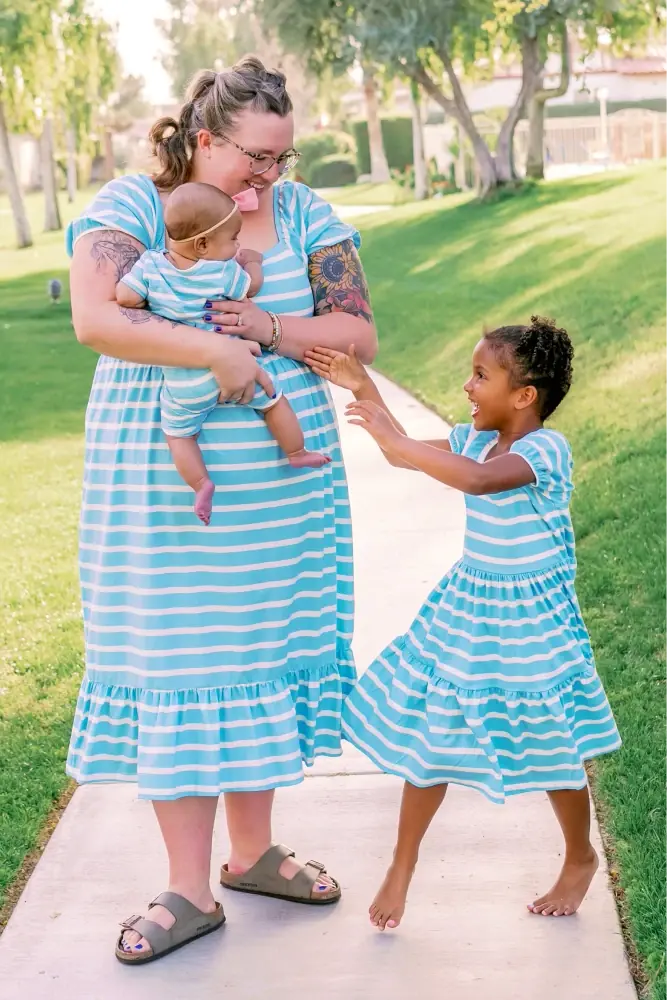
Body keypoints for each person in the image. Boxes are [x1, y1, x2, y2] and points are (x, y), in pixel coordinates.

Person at [66, 56, 377, 965]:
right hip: (167, 488)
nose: (270, 178)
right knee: (179, 657)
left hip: (280, 493)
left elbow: (355, 331)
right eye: (255, 158)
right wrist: (211, 357)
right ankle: (187, 889)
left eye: (282, 158)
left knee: (259, 655)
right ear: (206, 140)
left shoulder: (308, 214)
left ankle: (251, 854)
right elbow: (96, 317)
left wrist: (268, 334)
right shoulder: (134, 206)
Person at [305, 318, 620, 931]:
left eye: (481, 375)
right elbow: (406, 449)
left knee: (555, 739)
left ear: (524, 396)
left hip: (535, 621)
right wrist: (361, 386)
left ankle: (579, 856)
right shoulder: (476, 440)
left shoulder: (542, 451)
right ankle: (401, 864)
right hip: (470, 608)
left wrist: (400, 446)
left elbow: (474, 481)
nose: (467, 386)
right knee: (434, 732)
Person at [117, 181, 329, 526]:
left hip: (185, 381)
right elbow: (252, 288)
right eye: (232, 240)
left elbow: (125, 299)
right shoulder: (223, 271)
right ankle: (296, 452)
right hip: (239, 365)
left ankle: (201, 484)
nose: (237, 247)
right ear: (202, 244)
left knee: (179, 435)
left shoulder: (151, 267)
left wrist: (147, 298)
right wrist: (254, 262)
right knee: (274, 402)